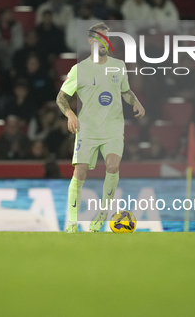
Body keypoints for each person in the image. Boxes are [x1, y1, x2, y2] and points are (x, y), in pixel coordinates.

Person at [56, 22, 145, 233]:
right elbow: (61, 97)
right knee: (81, 173)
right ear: (90, 40)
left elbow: (125, 91)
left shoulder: (118, 65)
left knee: (113, 167)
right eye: (99, 37)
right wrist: (70, 114)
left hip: (113, 127)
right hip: (87, 128)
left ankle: (103, 213)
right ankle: (71, 223)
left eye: (106, 38)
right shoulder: (79, 69)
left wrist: (135, 101)